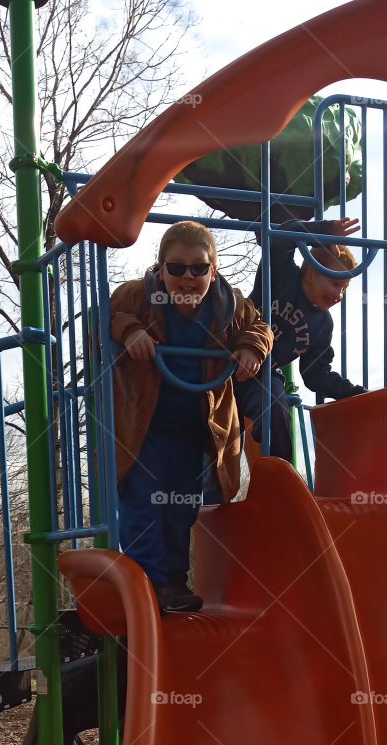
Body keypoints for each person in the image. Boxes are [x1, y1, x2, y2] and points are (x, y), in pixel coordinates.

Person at [110, 220, 273, 612]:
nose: (187, 278)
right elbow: (108, 315)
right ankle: (147, 584)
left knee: (181, 507)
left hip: (194, 428)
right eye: (176, 268)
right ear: (160, 268)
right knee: (144, 502)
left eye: (199, 268)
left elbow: (261, 327)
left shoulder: (228, 304)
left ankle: (173, 584)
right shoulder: (138, 297)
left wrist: (251, 347)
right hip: (144, 427)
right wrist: (130, 331)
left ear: (212, 271)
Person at [239, 216, 366, 461]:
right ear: (310, 272)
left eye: (344, 288)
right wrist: (324, 230)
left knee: (276, 412)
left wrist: (357, 393)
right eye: (334, 283)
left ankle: (280, 483)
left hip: (262, 374)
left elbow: (315, 374)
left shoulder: (322, 324)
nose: (339, 294)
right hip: (229, 355)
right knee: (212, 424)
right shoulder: (283, 275)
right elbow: (282, 235)